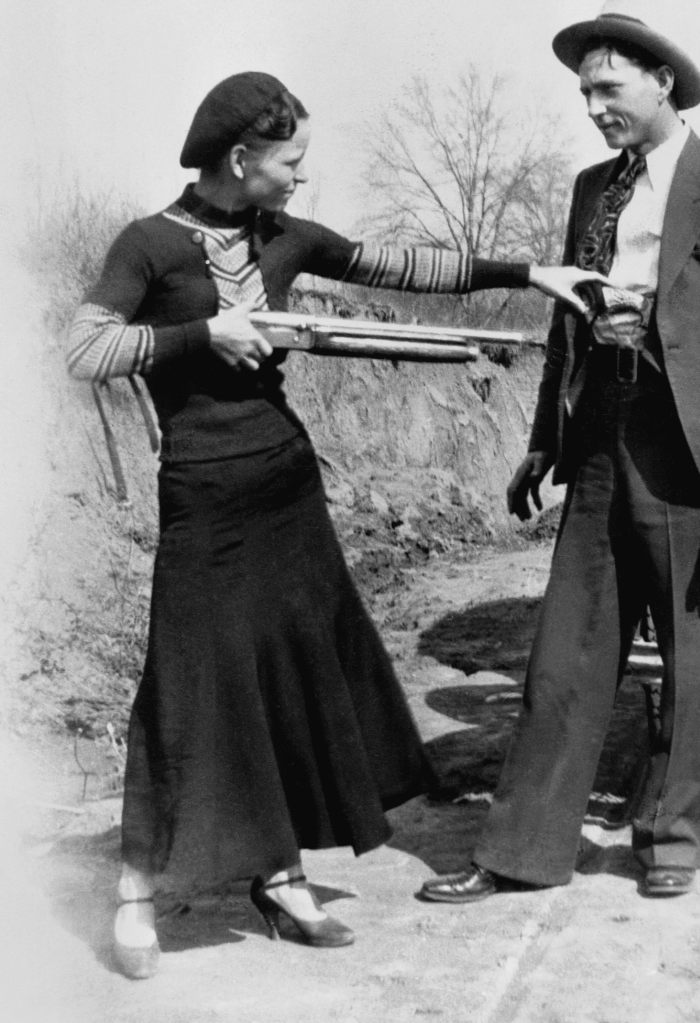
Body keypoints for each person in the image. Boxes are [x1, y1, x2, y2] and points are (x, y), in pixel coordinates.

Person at [66, 72, 605, 978]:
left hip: (285, 486)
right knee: (187, 684)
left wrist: (531, 273)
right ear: (241, 158)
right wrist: (200, 336)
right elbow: (85, 348)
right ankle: (135, 889)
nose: (300, 179)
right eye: (290, 162)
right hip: (202, 494)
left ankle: (279, 873)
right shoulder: (149, 244)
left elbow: (400, 266)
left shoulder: (284, 237)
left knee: (294, 675)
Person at [421, 1, 700, 904]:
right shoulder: (594, 186)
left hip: (692, 453)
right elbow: (566, 322)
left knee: (691, 654)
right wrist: (541, 442)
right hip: (600, 434)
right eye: (583, 92)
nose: (592, 107)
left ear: (661, 81)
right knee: (562, 656)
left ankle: (672, 837)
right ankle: (520, 849)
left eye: (607, 88)